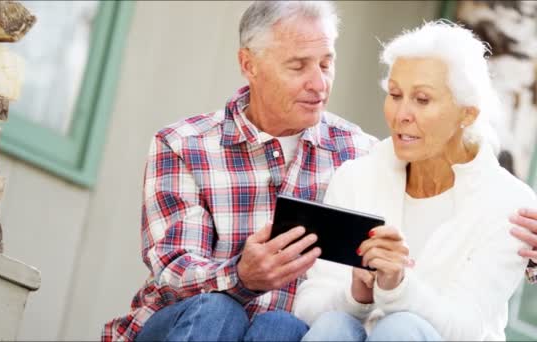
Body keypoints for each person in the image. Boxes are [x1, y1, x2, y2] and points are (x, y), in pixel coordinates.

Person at [102, 2, 537, 341]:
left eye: (326, 63)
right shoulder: (185, 145)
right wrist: (240, 276)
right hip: (190, 325)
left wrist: (530, 258)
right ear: (249, 64)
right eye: (298, 66)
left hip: (287, 332)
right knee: (221, 310)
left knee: (282, 327)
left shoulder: (361, 155)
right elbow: (172, 271)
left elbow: (470, 231)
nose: (319, 83)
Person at [294, 21, 537, 342]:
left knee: (400, 329)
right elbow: (307, 306)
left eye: (422, 100)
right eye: (395, 94)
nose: (400, 114)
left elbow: (467, 328)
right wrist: (358, 294)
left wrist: (398, 285)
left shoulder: (509, 204)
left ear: (467, 114)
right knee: (332, 325)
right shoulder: (356, 177)